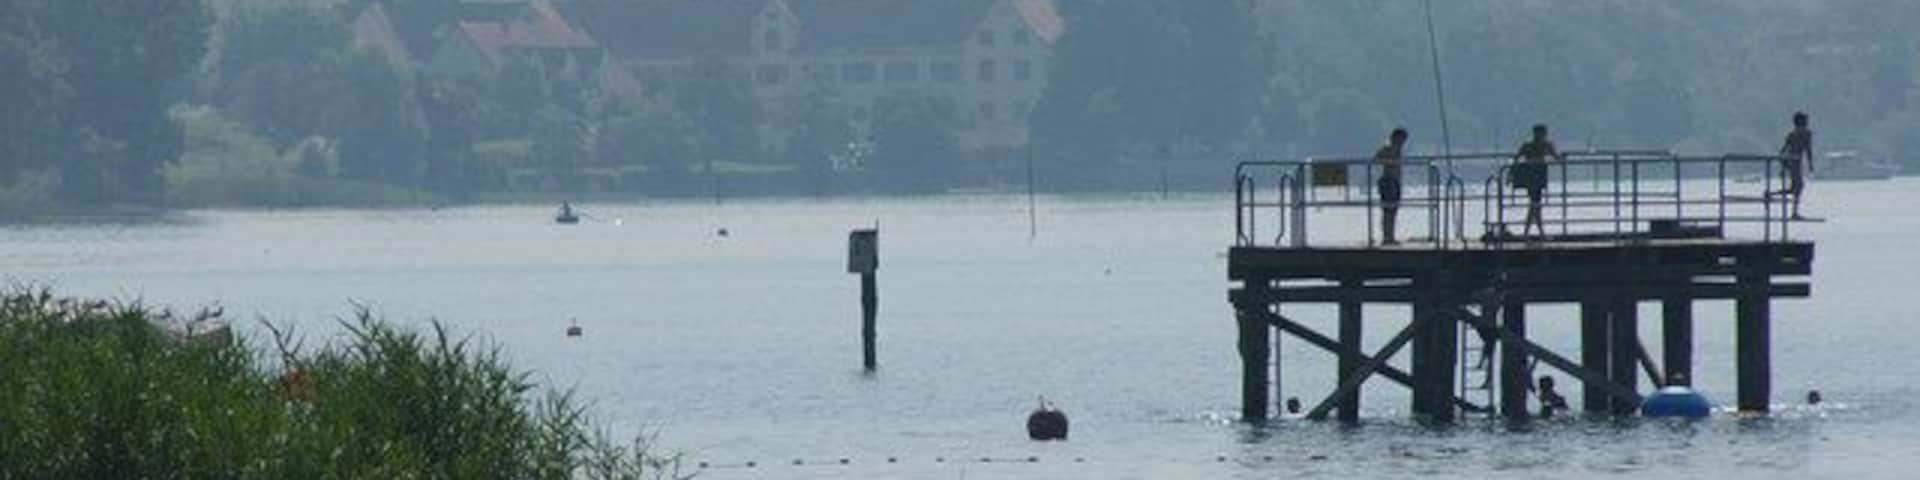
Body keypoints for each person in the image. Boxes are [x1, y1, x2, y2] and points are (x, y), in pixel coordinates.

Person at [1512, 124, 1562, 239]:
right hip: (1534, 177)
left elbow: (1516, 158)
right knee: (1535, 205)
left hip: (1536, 177)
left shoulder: (1533, 145)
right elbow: (1556, 157)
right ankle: (1535, 233)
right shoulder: (1540, 145)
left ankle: (1531, 232)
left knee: (1534, 205)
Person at [1375, 128, 1410, 246]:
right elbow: (1376, 158)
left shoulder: (1398, 150)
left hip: (1395, 181)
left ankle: (1391, 235)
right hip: (1388, 181)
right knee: (1388, 210)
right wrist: (1388, 160)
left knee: (1393, 210)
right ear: (1396, 138)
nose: (1403, 143)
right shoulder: (1388, 148)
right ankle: (1387, 236)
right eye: (1402, 139)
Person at [1779, 112, 1815, 219]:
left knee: (1794, 188)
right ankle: (1794, 213)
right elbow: (1808, 150)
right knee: (1799, 186)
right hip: (1794, 161)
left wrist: (1783, 165)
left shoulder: (1792, 134)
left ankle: (1773, 194)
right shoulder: (1806, 134)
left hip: (1791, 161)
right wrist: (1811, 164)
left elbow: (1782, 151)